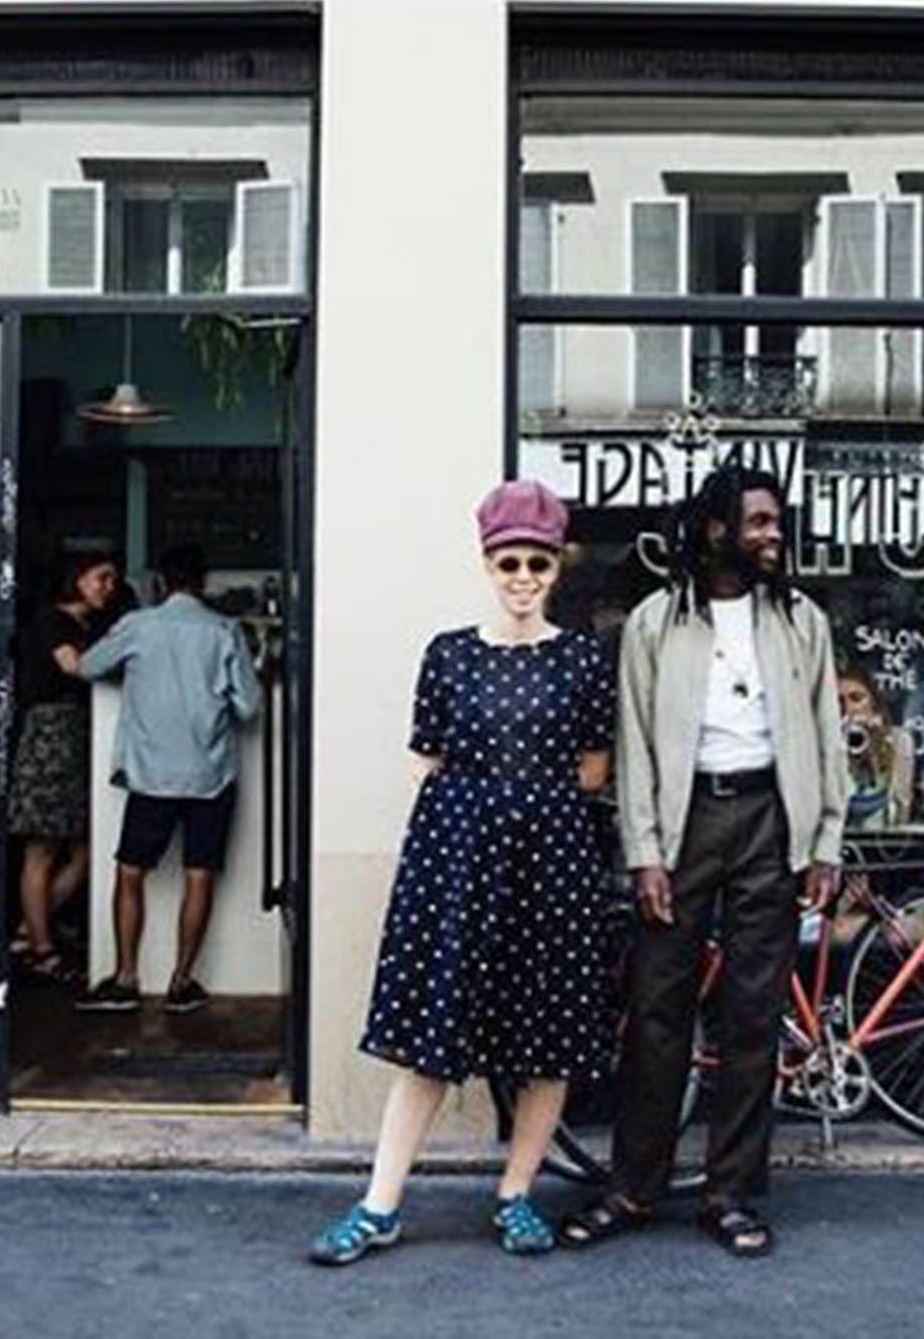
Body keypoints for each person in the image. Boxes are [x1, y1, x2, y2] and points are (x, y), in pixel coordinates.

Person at [309, 480, 616, 1266]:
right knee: (433, 1040)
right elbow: (427, 759)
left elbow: (593, 768)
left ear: (556, 569)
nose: (523, 577)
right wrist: (477, 821)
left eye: (539, 564)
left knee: (547, 1037)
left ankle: (516, 1195)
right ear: (487, 563)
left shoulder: (583, 657)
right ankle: (380, 1204)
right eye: (510, 561)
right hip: (460, 863)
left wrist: (523, 810)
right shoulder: (449, 654)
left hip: (552, 864)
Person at [561, 464, 846, 1260]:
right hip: (685, 823)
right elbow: (635, 747)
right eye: (757, 522)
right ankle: (631, 1188)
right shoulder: (657, 621)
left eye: (774, 522)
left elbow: (826, 735)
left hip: (769, 819)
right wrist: (644, 854)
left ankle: (732, 1196)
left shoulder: (800, 621)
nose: (772, 536)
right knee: (658, 1012)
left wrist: (823, 841)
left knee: (753, 1017)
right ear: (717, 529)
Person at [73, 544, 261, 1015]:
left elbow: (88, 666)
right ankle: (181, 982)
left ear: (160, 583)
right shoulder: (225, 630)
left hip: (152, 774)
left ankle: (126, 977)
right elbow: (249, 707)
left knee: (130, 871)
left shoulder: (139, 626)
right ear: (203, 582)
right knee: (200, 875)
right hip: (210, 775)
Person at [8, 549, 119, 982]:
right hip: (50, 740)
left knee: (80, 850)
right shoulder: (54, 622)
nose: (108, 588)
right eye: (101, 578)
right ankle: (40, 947)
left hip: (69, 743)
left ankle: (28, 930)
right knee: (42, 849)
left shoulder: (81, 625)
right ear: (77, 580)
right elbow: (73, 666)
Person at [839, 662, 915, 831]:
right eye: (839, 701)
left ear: (873, 702)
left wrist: (877, 750)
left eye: (856, 698)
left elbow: (902, 809)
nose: (848, 709)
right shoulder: (825, 746)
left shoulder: (899, 741)